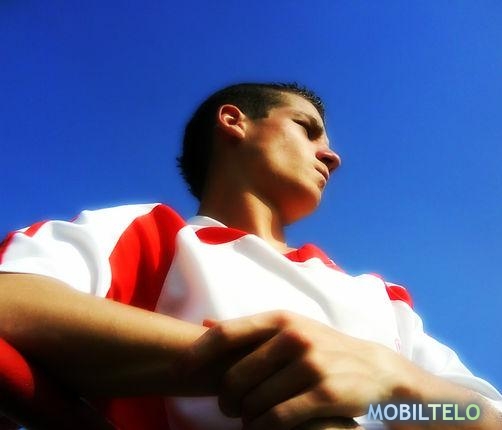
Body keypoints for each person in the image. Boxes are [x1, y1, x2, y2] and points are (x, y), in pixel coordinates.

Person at [0, 82, 501, 430]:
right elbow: (12, 298)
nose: (333, 156)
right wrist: (266, 367)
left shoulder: (382, 298)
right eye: (307, 129)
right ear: (234, 122)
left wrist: (394, 386)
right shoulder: (148, 233)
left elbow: (482, 417)